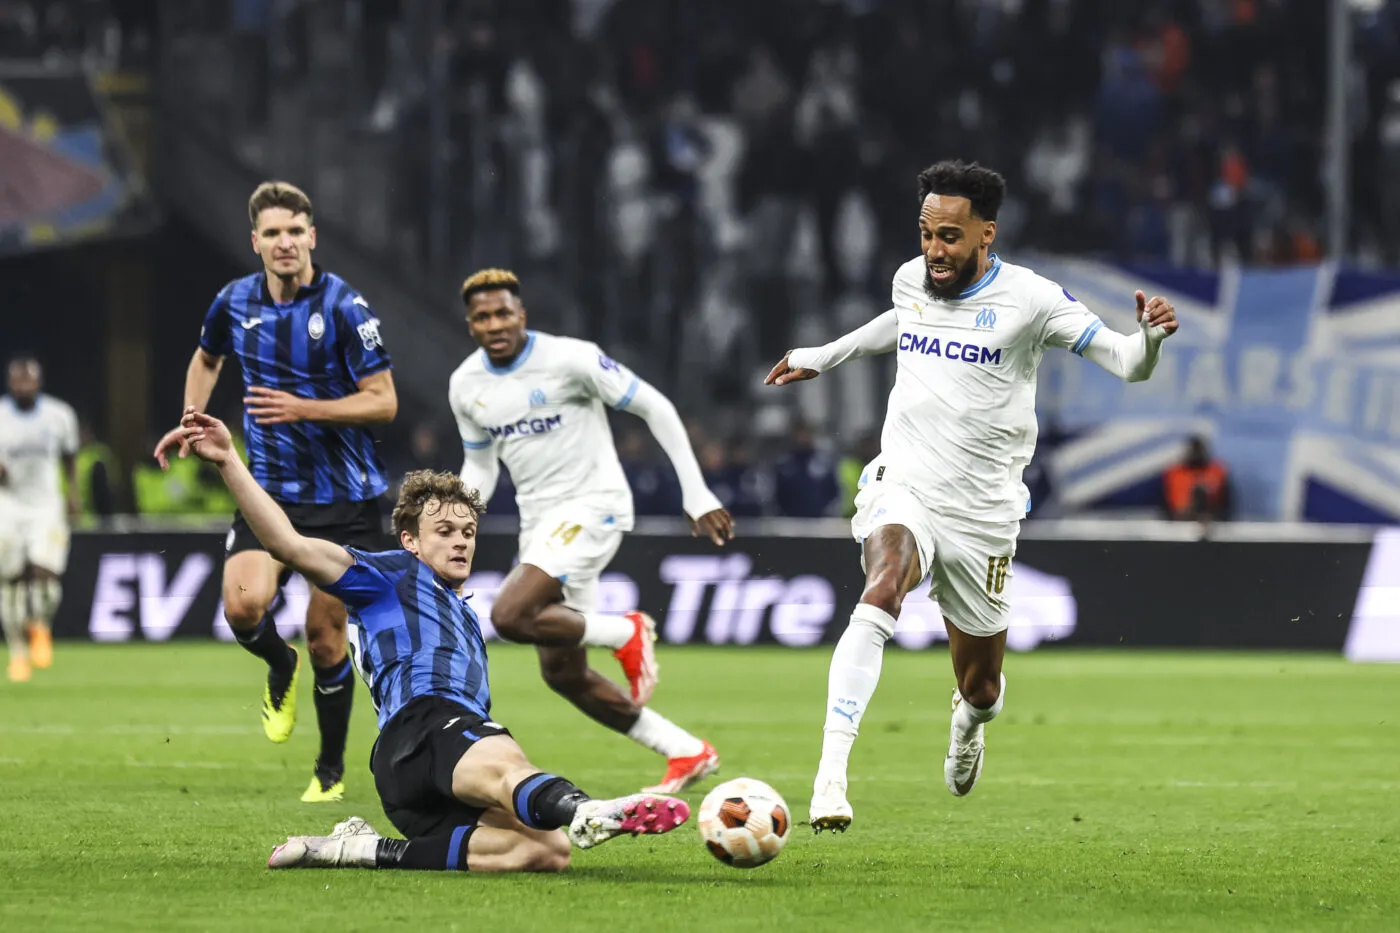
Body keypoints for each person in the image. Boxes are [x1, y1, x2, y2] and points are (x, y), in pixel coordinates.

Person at [765, 160, 1179, 831]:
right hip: (907, 484)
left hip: (984, 513)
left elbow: (1127, 364)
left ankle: (968, 722)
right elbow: (901, 320)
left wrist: (1151, 340)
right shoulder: (912, 278)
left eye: (950, 237)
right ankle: (830, 779)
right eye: (927, 234)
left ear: (987, 234)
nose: (934, 251)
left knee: (982, 688)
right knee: (883, 587)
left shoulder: (1033, 300)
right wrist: (825, 353)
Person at [174, 409, 690, 872]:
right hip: (427, 725)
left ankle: (360, 849)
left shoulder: (463, 614)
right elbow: (285, 543)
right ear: (410, 541)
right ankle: (586, 810)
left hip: (409, 781)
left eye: (468, 531)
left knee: (543, 851)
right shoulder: (386, 575)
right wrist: (227, 461)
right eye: (444, 530)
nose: (461, 539)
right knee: (510, 769)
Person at [152, 181, 398, 803]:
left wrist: (305, 407)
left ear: (311, 236)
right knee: (242, 607)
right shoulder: (233, 301)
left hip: (346, 500)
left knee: (325, 634)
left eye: (295, 231)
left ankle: (330, 770)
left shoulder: (346, 306)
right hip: (269, 494)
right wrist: (191, 419)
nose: (285, 243)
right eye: (273, 233)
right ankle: (277, 665)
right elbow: (208, 359)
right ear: (255, 241)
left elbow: (384, 401)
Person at [449, 268, 732, 794]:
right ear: (471, 326)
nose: (495, 324)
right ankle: (685, 750)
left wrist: (696, 492)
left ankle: (626, 631)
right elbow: (481, 465)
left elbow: (655, 406)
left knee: (510, 615)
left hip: (593, 505)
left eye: (503, 313)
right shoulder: (466, 385)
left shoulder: (570, 359)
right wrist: (458, 516)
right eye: (482, 317)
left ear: (522, 315)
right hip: (540, 525)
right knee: (563, 674)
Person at [0, 356, 79, 682]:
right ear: (9, 383)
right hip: (8, 505)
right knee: (10, 581)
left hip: (47, 505)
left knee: (46, 577)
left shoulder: (59, 415)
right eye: (17, 381)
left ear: (38, 382)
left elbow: (70, 455)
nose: (22, 387)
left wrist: (74, 493)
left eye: (28, 381)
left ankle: (40, 624)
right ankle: (17, 651)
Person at [1162, 435, 1232, 523]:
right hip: (1179, 517)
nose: (1196, 454)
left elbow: (1226, 501)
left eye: (1199, 450)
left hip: (1211, 517)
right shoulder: (1174, 473)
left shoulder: (1218, 472)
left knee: (1200, 491)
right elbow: (1164, 500)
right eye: (1193, 451)